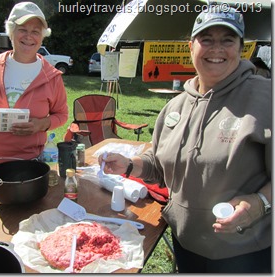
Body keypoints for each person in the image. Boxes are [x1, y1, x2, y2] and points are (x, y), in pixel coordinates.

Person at [99, 7, 271, 273]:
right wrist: (129, 165)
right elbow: (159, 165)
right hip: (186, 243)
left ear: (241, 48)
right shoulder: (176, 106)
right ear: (191, 46)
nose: (217, 49)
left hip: (246, 250)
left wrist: (259, 204)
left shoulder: (265, 98)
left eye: (228, 40)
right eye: (207, 39)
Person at [0, 2, 68, 206]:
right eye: (22, 29)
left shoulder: (52, 76)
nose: (29, 36)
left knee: (22, 225)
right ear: (11, 31)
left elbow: (62, 114)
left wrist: (40, 125)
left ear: (42, 36)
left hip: (28, 166)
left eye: (35, 31)